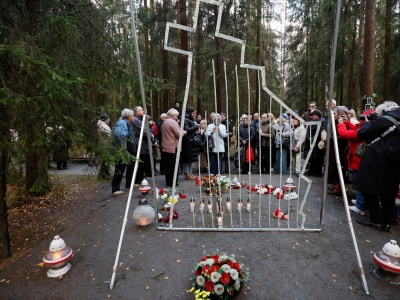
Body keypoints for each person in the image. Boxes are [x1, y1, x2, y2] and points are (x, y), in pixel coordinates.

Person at [353, 101, 400, 232]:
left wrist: (367, 123)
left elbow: (362, 134)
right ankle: (387, 223)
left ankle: (376, 220)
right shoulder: (397, 120)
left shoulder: (384, 120)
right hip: (394, 162)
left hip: (376, 160)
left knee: (367, 188)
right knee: (388, 193)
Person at [337, 112, 365, 215]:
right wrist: (347, 122)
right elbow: (355, 130)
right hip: (357, 158)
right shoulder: (365, 128)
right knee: (358, 181)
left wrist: (341, 124)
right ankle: (359, 200)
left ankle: (360, 205)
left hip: (359, 159)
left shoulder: (366, 130)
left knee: (361, 182)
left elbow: (347, 134)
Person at [110, 109, 136, 196]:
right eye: (133, 115)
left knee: (130, 167)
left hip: (128, 151)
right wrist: (123, 148)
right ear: (129, 116)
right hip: (121, 151)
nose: (134, 117)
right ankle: (115, 189)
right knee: (120, 169)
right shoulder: (122, 123)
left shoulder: (127, 123)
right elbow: (119, 135)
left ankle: (129, 185)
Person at [161, 108, 186, 187]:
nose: (177, 118)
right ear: (172, 115)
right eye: (176, 116)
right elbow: (179, 134)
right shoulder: (173, 122)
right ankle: (174, 182)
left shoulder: (164, 122)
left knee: (167, 165)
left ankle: (168, 181)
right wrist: (184, 132)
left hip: (165, 145)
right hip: (172, 146)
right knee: (174, 165)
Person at [132, 106, 155, 186]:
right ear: (136, 112)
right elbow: (143, 131)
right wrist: (151, 135)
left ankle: (141, 178)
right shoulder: (135, 120)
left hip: (144, 145)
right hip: (140, 144)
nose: (143, 111)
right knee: (140, 163)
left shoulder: (141, 120)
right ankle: (138, 180)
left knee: (143, 162)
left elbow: (147, 130)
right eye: (141, 110)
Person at [304, 109, 325, 176]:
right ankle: (311, 170)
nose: (313, 116)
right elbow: (308, 131)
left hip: (318, 142)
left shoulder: (322, 122)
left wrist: (313, 138)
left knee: (318, 158)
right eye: (312, 115)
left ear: (318, 115)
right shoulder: (311, 122)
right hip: (311, 142)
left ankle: (318, 171)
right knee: (311, 157)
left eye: (314, 115)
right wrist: (308, 138)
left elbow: (321, 131)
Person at [181, 107, 200, 180]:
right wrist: (196, 126)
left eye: (195, 113)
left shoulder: (190, 119)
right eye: (193, 113)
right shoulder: (186, 119)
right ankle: (187, 173)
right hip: (187, 142)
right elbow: (187, 130)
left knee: (190, 158)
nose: (195, 115)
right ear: (190, 113)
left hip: (191, 142)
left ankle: (190, 172)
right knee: (187, 158)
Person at [97, 113, 112, 179]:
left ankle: (104, 174)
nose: (109, 120)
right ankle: (104, 175)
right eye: (108, 119)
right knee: (105, 161)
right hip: (105, 145)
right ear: (105, 119)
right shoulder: (103, 126)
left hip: (104, 145)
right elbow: (110, 135)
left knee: (105, 161)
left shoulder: (102, 125)